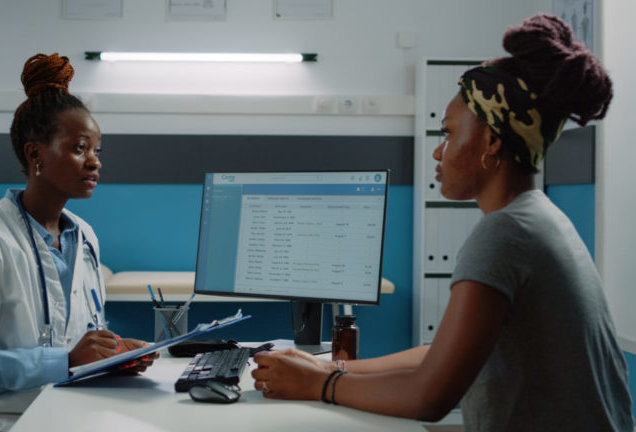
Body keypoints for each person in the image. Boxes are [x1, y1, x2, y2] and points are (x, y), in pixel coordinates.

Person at [251, 14, 634, 432]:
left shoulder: (505, 233)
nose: (438, 152)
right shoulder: (539, 217)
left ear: (491, 142)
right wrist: (331, 367)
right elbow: (442, 355)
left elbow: (429, 396)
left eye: (449, 134)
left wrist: (320, 384)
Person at [0, 53, 155, 431]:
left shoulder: (83, 238)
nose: (95, 162)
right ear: (36, 154)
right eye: (80, 148)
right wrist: (63, 361)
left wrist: (112, 352)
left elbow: (78, 337)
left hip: (66, 417)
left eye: (98, 150)